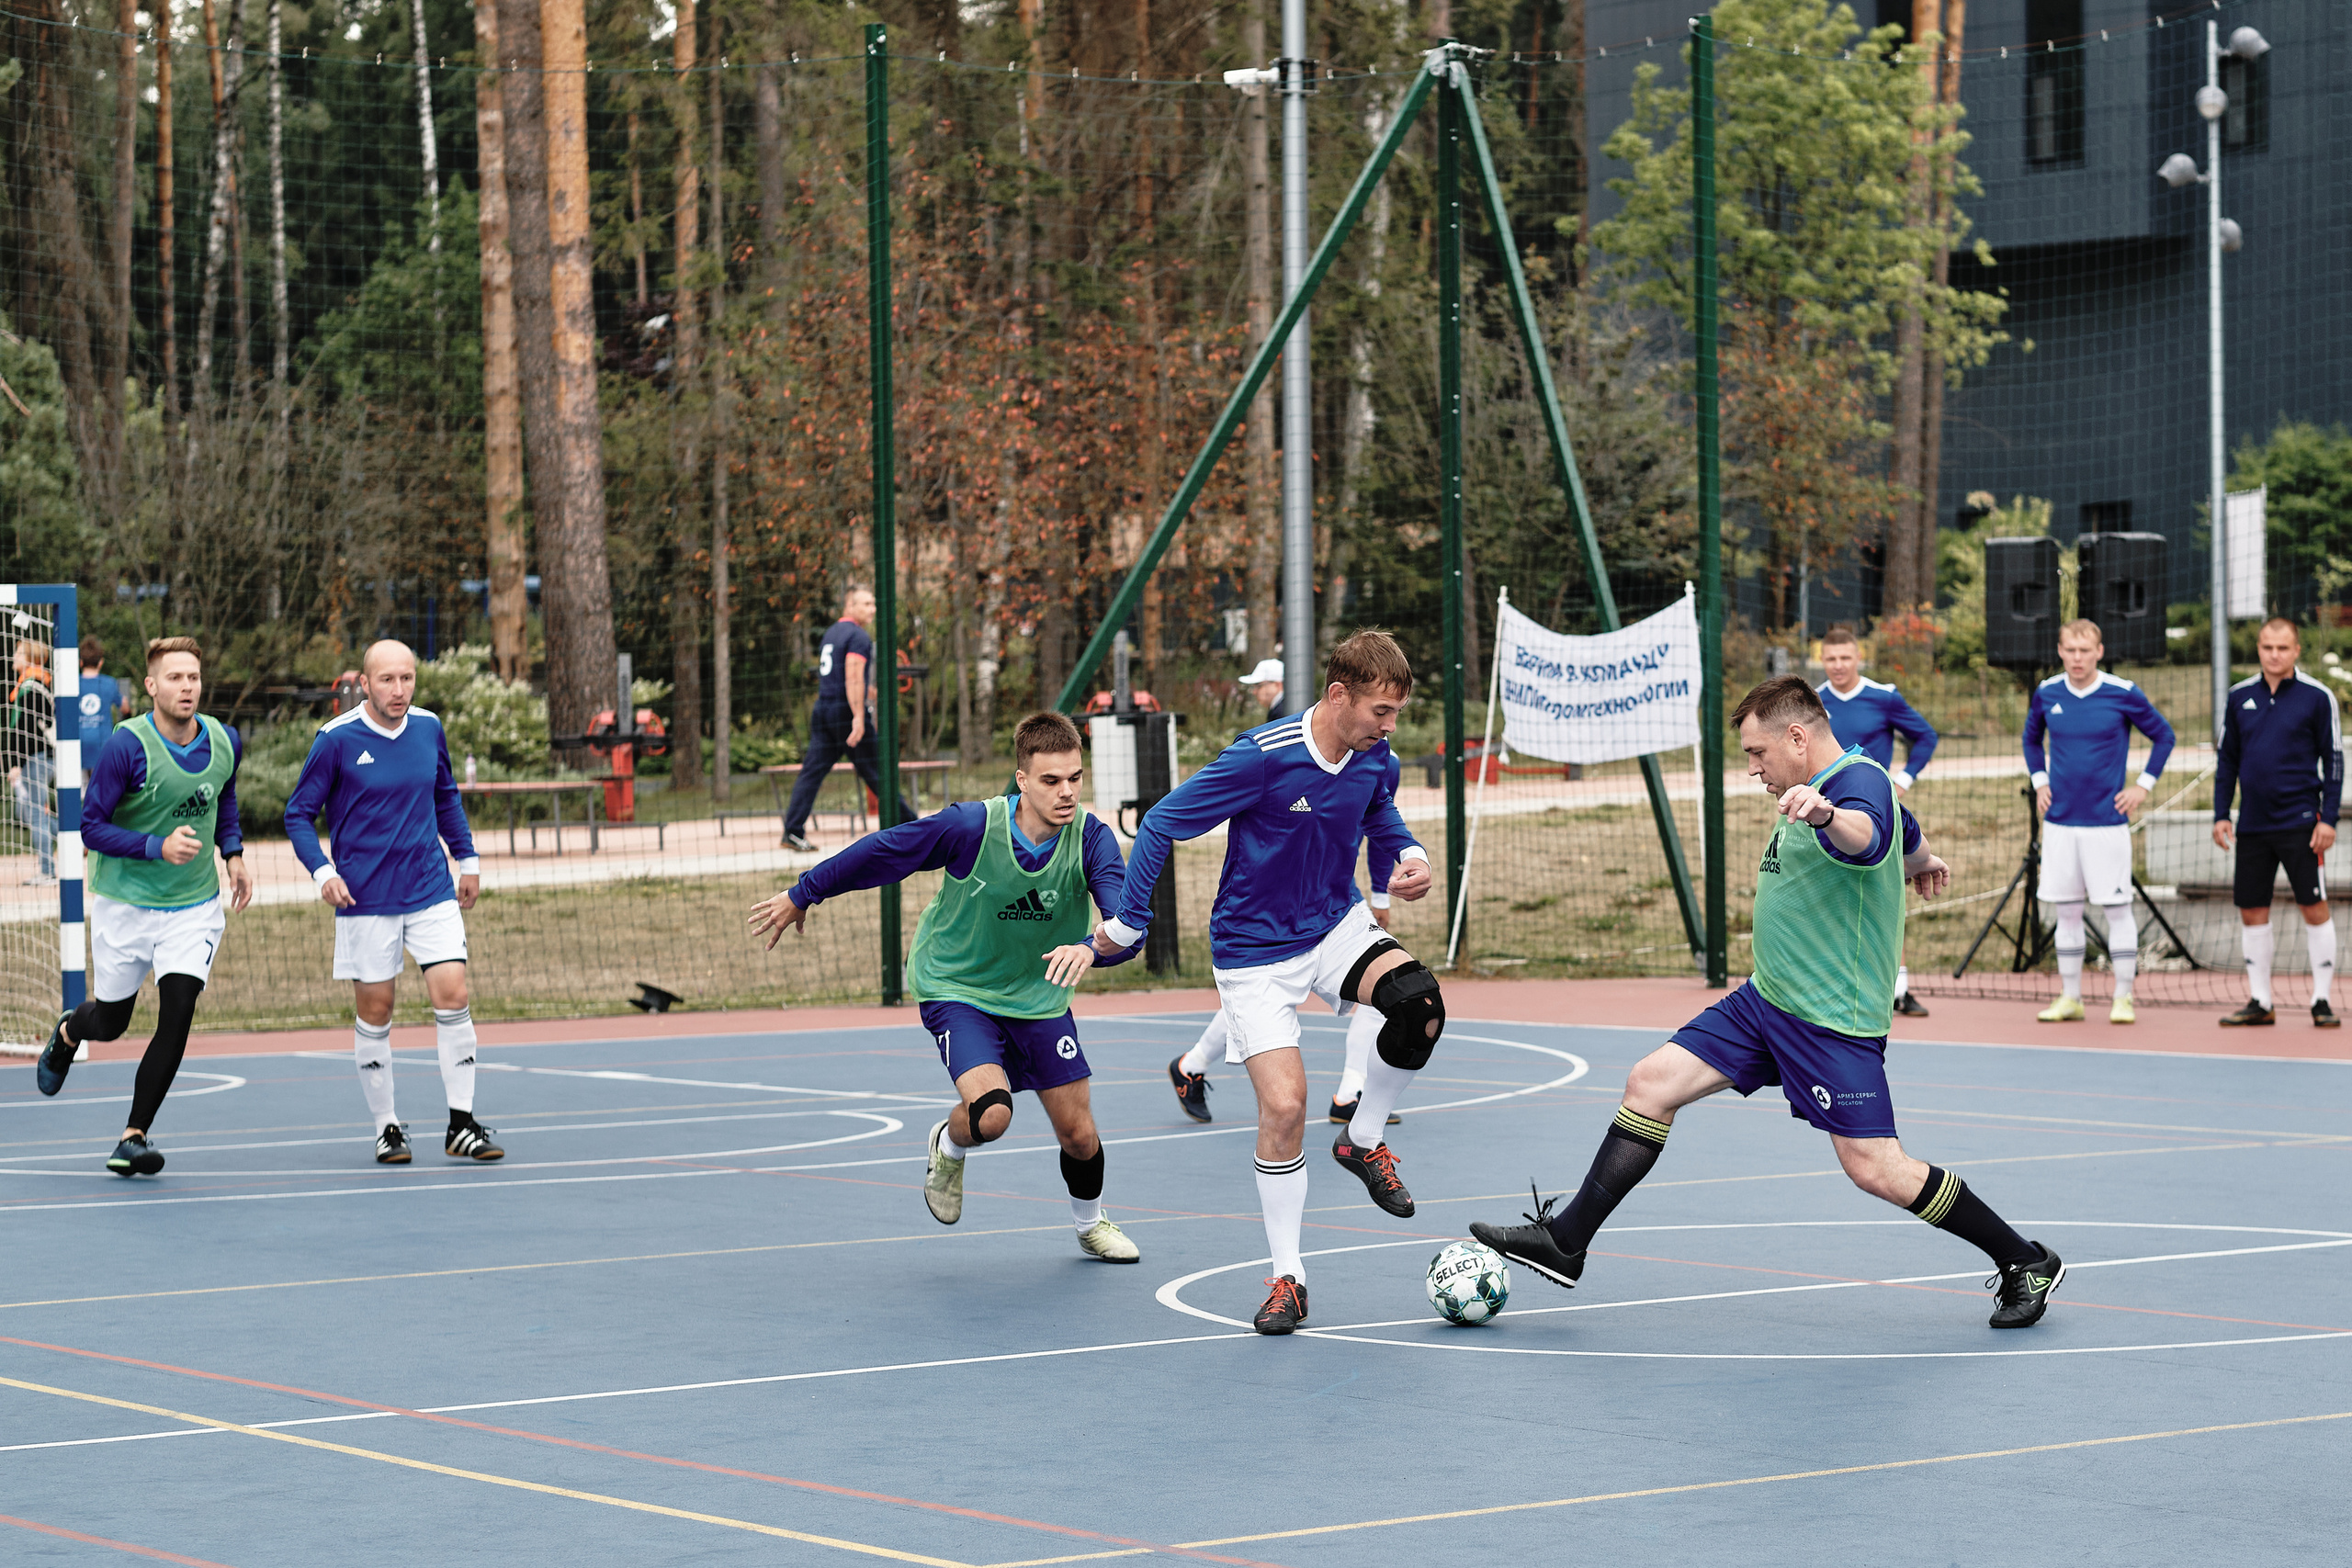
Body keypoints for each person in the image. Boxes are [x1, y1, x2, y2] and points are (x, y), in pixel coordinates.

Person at [1471, 676, 2068, 1330]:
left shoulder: (1853, 784)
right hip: (1766, 1001)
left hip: (1829, 1021)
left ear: (1796, 736)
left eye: (1758, 752)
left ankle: (2024, 1259)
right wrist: (1922, 858)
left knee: (1877, 1167)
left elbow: (1868, 833)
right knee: (1650, 1083)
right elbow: (1903, 829)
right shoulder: (1830, 784)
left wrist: (1826, 816)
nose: (1752, 767)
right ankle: (1568, 1240)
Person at [1094, 630, 1439, 1336]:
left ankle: (1362, 1138)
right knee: (1285, 1110)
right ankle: (1290, 1278)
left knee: (1419, 1005)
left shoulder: (1376, 757)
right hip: (1253, 953)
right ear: (1338, 695)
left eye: (1396, 712)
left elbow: (1379, 814)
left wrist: (1410, 853)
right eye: (1381, 709)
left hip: (1333, 925)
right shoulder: (1263, 757)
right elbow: (1160, 823)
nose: (1389, 725)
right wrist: (1128, 924)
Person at [750, 711, 1146, 1261]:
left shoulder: (1091, 839)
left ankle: (1090, 1224)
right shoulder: (971, 828)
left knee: (1079, 1134)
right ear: (1022, 779)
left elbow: (1127, 926)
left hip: (1039, 995)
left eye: (1075, 779)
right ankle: (951, 1143)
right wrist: (803, 892)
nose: (1066, 793)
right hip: (958, 986)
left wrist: (1091, 946)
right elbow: (885, 852)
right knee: (993, 1114)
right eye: (1051, 781)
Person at [33, 637, 254, 1178]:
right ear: (151, 686)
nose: (187, 687)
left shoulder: (225, 740)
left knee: (178, 1014)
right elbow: (90, 827)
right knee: (110, 1022)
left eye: (194, 677)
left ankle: (133, 1136)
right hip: (126, 903)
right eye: (175, 678)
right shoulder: (126, 746)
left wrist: (234, 854)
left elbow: (222, 797)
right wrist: (158, 846)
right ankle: (68, 1032)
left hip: (193, 907)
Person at [284, 640, 502, 1164]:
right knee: (377, 1010)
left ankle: (462, 1124)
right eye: (387, 680)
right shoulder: (336, 739)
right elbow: (298, 814)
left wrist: (466, 860)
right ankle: (387, 1128)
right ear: (364, 681)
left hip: (429, 887)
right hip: (365, 897)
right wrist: (323, 872)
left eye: (407, 679)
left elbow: (444, 794)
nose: (398, 690)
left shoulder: (428, 727)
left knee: (453, 993)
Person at [1166, 832, 1402, 1130]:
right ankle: (1192, 1064)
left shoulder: (1377, 782)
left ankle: (1350, 1092)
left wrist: (1382, 894)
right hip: (1278, 902)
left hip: (1338, 901)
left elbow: (1379, 821)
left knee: (1389, 984)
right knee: (1262, 994)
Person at [2022, 619, 2176, 1026]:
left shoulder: (2123, 693)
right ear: (2060, 651)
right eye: (2070, 650)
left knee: (2117, 911)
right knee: (2067, 914)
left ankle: (2123, 998)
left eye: (2085, 651)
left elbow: (2165, 736)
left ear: (2099, 652)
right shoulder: (2047, 692)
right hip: (2059, 824)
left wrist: (2142, 786)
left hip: (2107, 824)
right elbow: (2030, 738)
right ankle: (2070, 997)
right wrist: (2039, 781)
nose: (2077, 658)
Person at [2212, 617, 2343, 1028]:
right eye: (2267, 647)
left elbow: (2334, 762)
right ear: (2258, 648)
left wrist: (2329, 819)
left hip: (2302, 824)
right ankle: (2261, 1001)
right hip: (2252, 825)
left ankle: (2321, 1000)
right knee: (2252, 911)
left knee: (2314, 907)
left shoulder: (2317, 698)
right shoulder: (2238, 697)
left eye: (2282, 648)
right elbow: (2227, 761)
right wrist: (2221, 814)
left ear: (2296, 650)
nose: (2274, 655)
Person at [1815, 624, 1938, 1017]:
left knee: (1887, 897)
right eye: (1831, 659)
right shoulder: (1812, 702)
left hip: (1876, 816)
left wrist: (1901, 781)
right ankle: (1833, 984)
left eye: (1845, 658)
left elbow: (1926, 736)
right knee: (1829, 899)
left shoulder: (1883, 697)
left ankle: (1898, 989)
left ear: (1858, 658)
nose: (1838, 665)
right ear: (1822, 660)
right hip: (1823, 816)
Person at [780, 584, 918, 852]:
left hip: (824, 709)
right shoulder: (859, 637)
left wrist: (872, 692)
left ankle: (792, 831)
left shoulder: (831, 633)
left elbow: (839, 677)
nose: (873, 609)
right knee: (879, 772)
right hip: (846, 713)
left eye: (874, 604)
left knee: (811, 773)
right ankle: (914, 826)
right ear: (850, 605)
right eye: (866, 604)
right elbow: (853, 677)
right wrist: (857, 715)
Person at [8, 637, 56, 884]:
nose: (14, 657)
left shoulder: (30, 688)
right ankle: (77, 837)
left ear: (30, 658)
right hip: (43, 757)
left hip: (36, 759)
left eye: (18, 653)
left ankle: (47, 871)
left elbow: (25, 731)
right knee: (28, 811)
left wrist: (15, 763)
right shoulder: (39, 685)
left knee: (35, 813)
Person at [77, 636, 125, 762]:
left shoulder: (73, 684)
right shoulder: (109, 683)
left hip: (77, 745)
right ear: (101, 662)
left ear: (80, 662)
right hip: (103, 745)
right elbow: (125, 707)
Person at [1239, 657, 1290, 721]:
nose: (1254, 692)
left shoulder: (1282, 712)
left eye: (1259, 686)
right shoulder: (1281, 709)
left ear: (1277, 685)